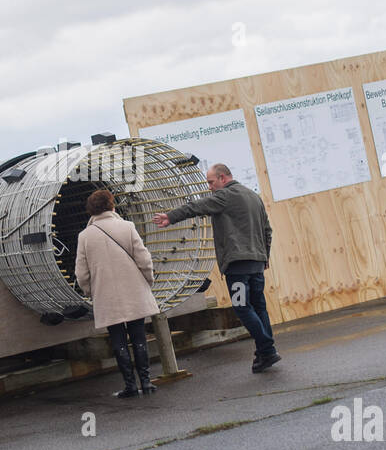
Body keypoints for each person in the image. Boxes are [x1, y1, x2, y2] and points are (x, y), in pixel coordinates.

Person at [153, 163, 279, 373]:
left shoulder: (225, 196)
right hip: (257, 265)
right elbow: (268, 230)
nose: (210, 187)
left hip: (238, 267)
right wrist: (265, 256)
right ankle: (264, 352)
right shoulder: (253, 196)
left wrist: (170, 217)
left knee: (241, 308)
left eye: (211, 182)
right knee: (259, 307)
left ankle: (267, 348)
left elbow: (196, 206)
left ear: (223, 178)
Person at [75, 188, 160, 398]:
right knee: (139, 336)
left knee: (118, 341)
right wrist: (147, 281)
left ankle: (130, 386)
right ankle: (146, 382)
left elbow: (81, 273)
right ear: (112, 205)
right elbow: (144, 259)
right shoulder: (127, 227)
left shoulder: (84, 236)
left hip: (106, 296)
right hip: (134, 290)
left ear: (91, 211)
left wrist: (91, 291)